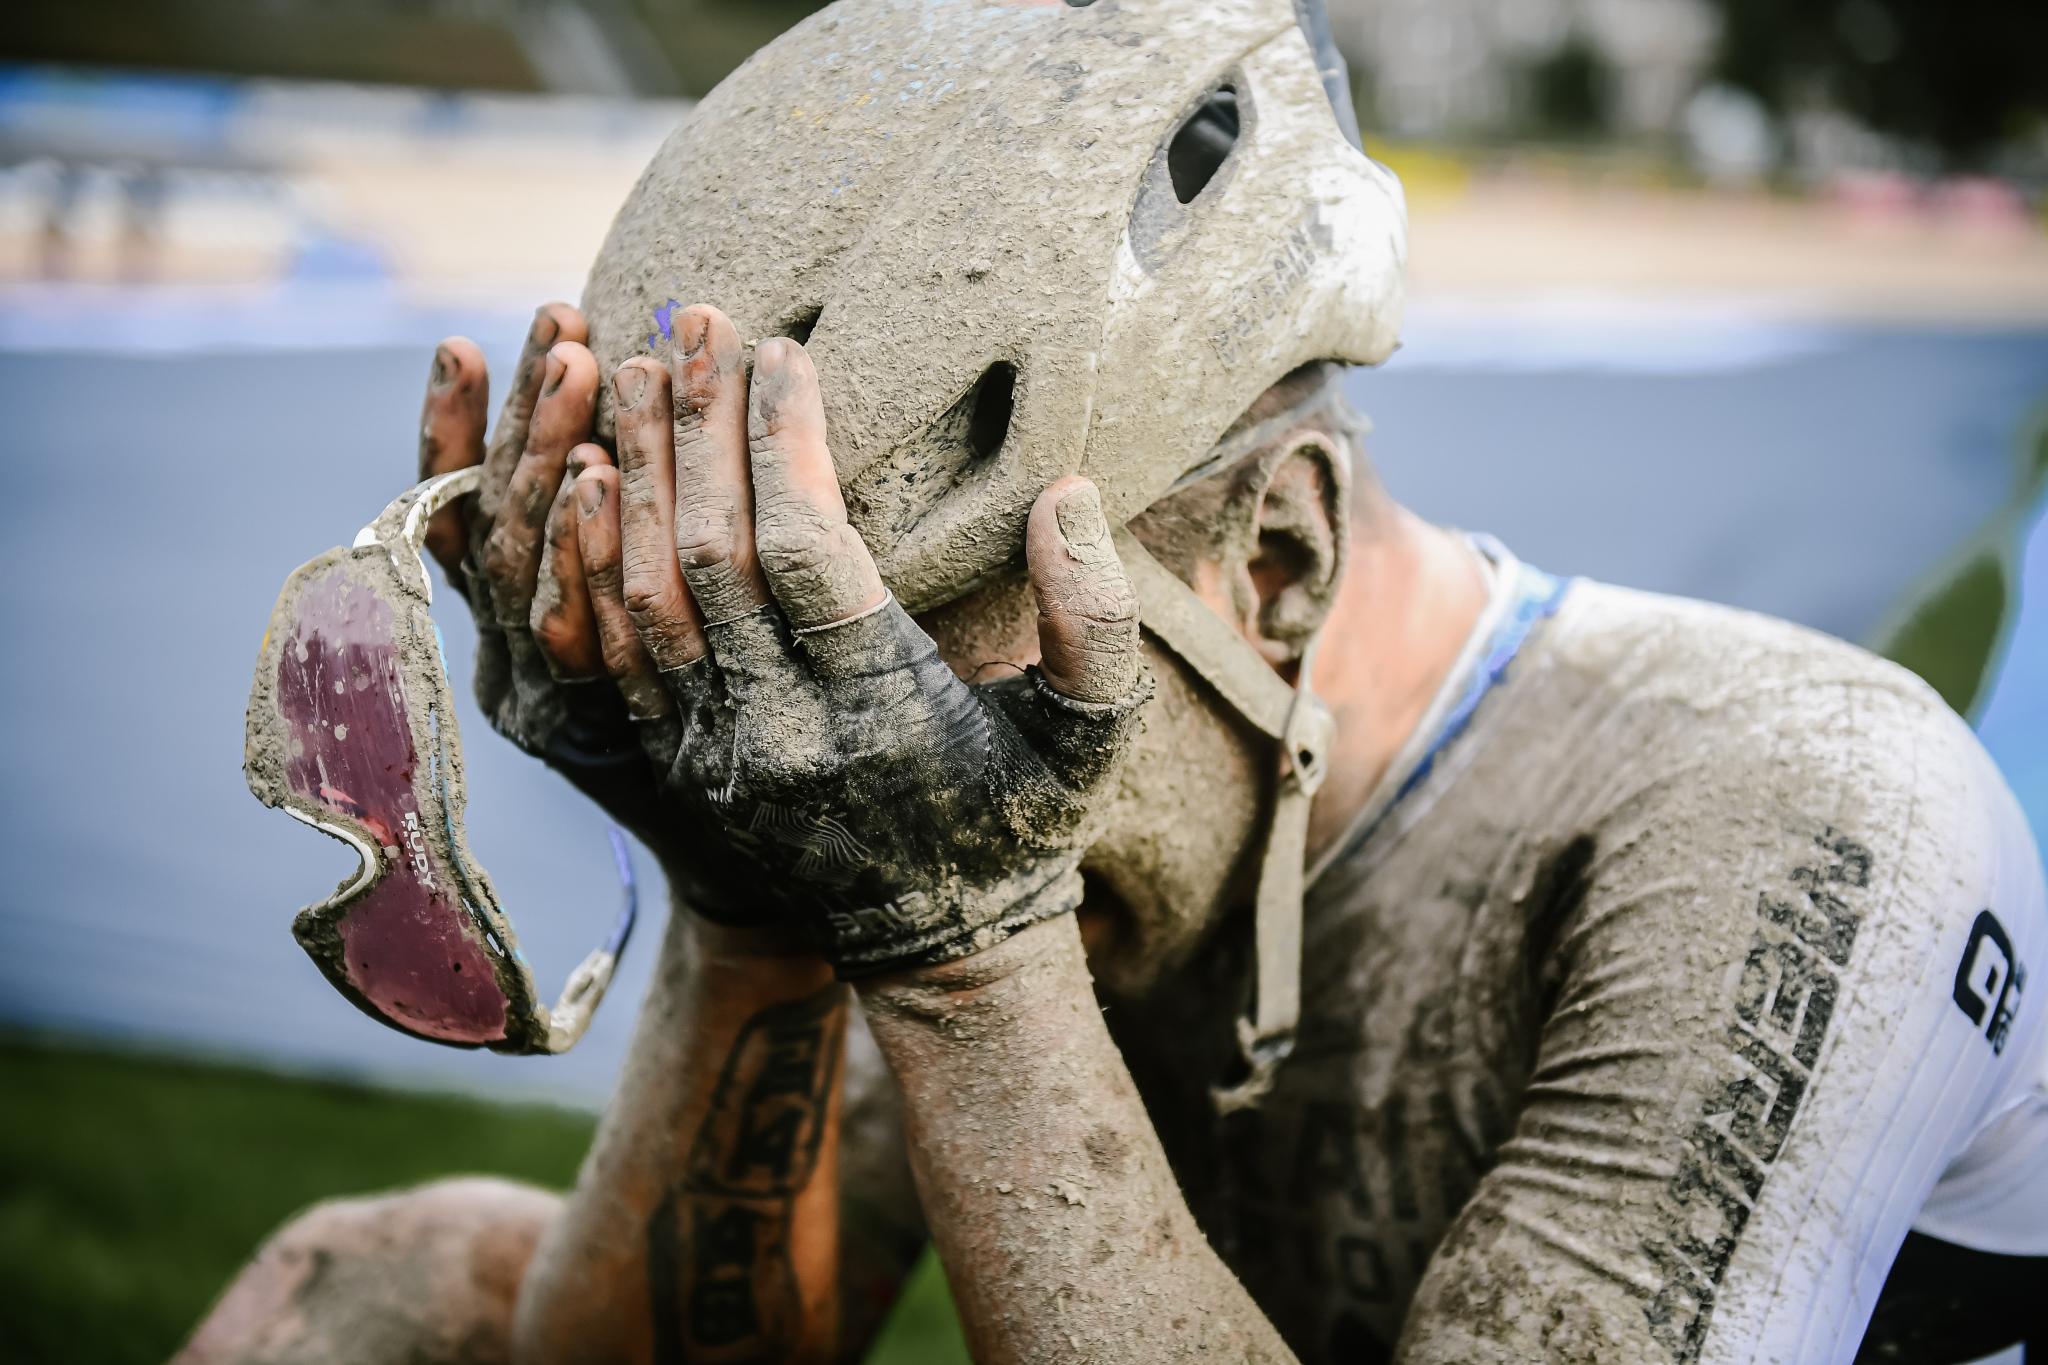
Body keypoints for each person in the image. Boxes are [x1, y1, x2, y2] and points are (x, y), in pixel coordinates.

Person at [181, 2, 2048, 1362]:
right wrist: (745, 897)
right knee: (379, 1289)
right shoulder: (954, 780)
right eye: (809, 692)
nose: (863, 763)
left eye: (940, 692)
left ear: (1281, 558)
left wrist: (971, 951)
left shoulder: (1794, 806)